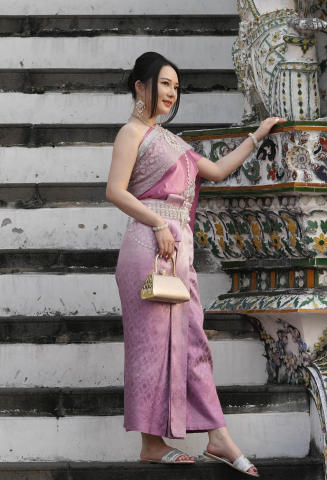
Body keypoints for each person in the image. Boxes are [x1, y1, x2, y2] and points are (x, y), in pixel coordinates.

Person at [105, 51, 282, 476]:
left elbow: (217, 171)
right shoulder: (131, 133)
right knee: (150, 346)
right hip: (148, 245)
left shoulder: (172, 140)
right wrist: (157, 224)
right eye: (165, 84)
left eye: (176, 87)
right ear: (141, 86)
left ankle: (217, 436)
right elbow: (115, 191)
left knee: (192, 343)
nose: (171, 93)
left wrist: (257, 136)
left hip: (177, 249)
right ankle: (152, 443)